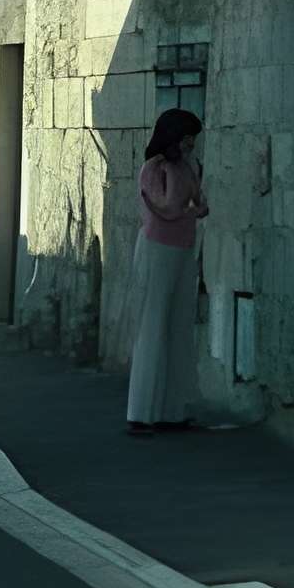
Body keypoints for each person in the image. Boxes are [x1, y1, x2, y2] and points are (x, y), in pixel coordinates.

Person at [126, 109, 209, 436]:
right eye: (187, 136)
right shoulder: (154, 168)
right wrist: (192, 206)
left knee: (177, 327)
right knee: (153, 326)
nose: (191, 144)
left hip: (182, 249)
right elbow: (169, 207)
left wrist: (193, 205)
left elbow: (200, 204)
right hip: (157, 248)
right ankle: (142, 412)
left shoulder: (187, 167)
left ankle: (172, 411)